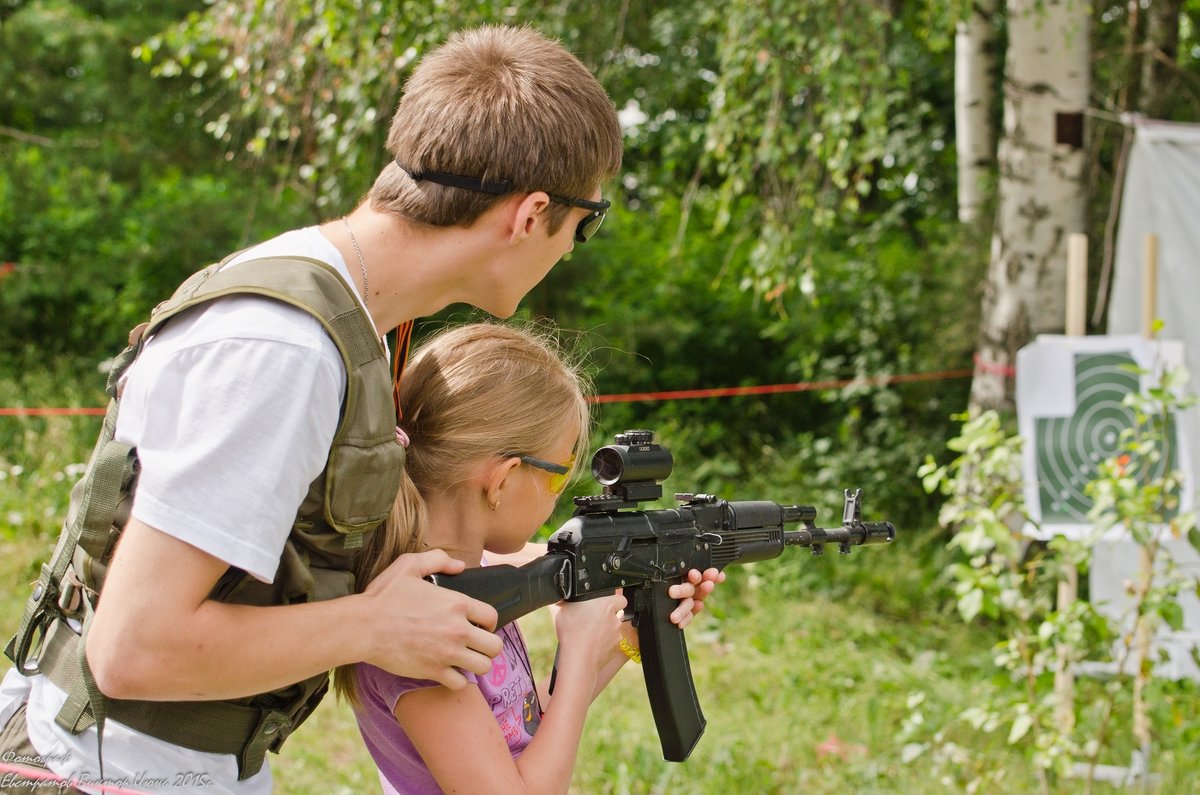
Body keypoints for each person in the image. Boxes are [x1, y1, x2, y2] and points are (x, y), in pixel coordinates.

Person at [0, 24, 712, 795]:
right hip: (113, 772)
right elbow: (133, 648)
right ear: (531, 212)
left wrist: (582, 574)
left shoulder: (353, 314)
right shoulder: (284, 348)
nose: (574, 247)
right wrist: (374, 626)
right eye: (586, 222)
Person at [335, 322, 723, 795]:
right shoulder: (421, 634)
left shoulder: (468, 588)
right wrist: (579, 652)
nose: (559, 497)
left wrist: (630, 634)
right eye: (559, 478)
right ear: (501, 481)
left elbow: (520, 732)